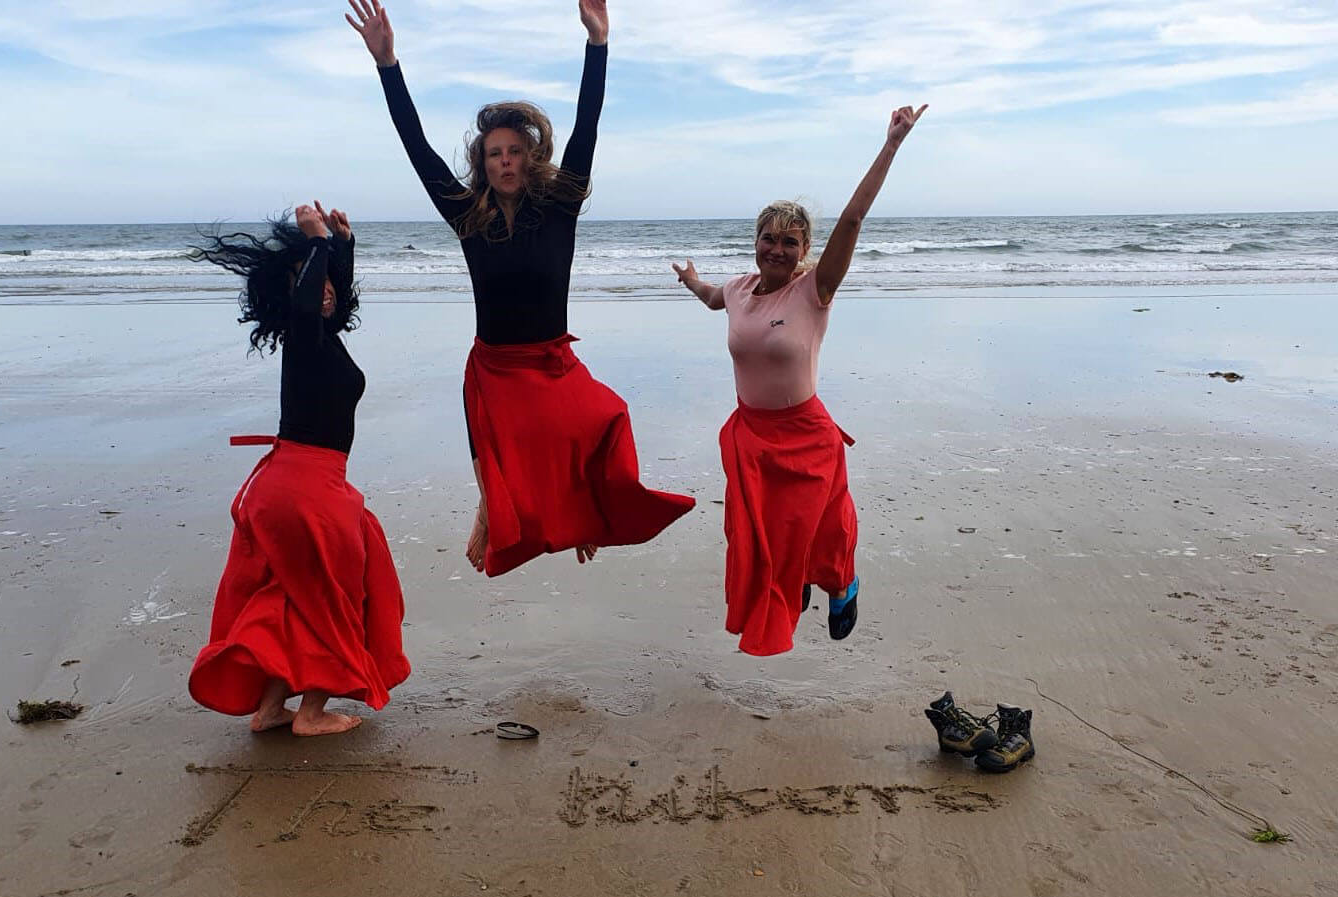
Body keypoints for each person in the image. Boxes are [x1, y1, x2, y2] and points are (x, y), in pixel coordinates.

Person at [349, 0, 693, 577]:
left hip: (552, 363)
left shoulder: (559, 207)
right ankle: (491, 506)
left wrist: (598, 44)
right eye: (493, 154)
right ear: (481, 164)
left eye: (513, 151)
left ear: (529, 156)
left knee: (604, 419)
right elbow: (417, 148)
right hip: (495, 370)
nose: (504, 162)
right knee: (498, 458)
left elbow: (588, 126)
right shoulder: (466, 215)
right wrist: (388, 64)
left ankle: (585, 509)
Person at [671, 104, 927, 656]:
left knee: (821, 531)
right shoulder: (739, 288)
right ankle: (794, 587)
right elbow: (714, 300)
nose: (777, 249)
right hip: (751, 440)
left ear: (805, 250)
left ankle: (842, 584)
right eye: (769, 238)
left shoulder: (815, 291)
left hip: (805, 434)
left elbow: (854, 220)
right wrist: (693, 281)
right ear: (756, 241)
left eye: (791, 241)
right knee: (762, 540)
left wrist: (892, 145)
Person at [186, 201, 410, 736]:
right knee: (339, 595)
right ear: (290, 296)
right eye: (312, 281)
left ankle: (269, 709)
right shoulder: (303, 335)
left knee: (291, 596)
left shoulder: (321, 339)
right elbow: (312, 304)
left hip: (291, 481)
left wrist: (340, 248)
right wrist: (313, 247)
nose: (324, 287)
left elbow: (332, 298)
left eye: (327, 280)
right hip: (306, 486)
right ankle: (310, 713)